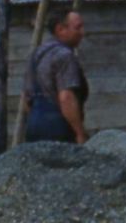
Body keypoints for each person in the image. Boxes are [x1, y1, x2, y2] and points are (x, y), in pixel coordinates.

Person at [24, 8, 89, 145]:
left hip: (34, 124)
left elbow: (27, 96)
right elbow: (66, 97)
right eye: (78, 28)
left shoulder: (37, 54)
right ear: (60, 29)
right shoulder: (65, 56)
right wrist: (79, 133)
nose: (82, 33)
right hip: (58, 127)